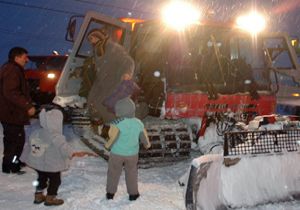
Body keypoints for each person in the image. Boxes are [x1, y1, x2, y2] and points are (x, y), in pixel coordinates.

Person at [20, 108, 85, 206]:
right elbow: (64, 148)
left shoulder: (37, 133)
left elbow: (29, 146)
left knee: (41, 179)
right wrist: (72, 153)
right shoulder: (56, 136)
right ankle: (50, 198)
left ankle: (38, 196)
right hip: (52, 166)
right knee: (55, 181)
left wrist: (24, 158)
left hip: (39, 165)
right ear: (57, 122)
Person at [102, 97, 151, 201]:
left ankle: (110, 193)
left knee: (113, 173)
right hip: (132, 154)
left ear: (118, 110)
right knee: (132, 173)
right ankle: (133, 194)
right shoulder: (138, 122)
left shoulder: (117, 123)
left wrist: (107, 146)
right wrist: (147, 144)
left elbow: (113, 138)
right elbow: (144, 136)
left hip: (117, 154)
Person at [85, 28, 136, 123]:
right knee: (92, 99)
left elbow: (129, 61)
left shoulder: (112, 47)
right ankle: (101, 123)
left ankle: (113, 127)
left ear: (98, 37)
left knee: (105, 104)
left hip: (113, 80)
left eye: (91, 38)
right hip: (102, 80)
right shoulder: (98, 49)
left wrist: (127, 73)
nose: (90, 41)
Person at [0, 47, 36, 174]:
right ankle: (10, 166)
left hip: (10, 113)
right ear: (17, 58)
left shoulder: (11, 68)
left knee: (15, 140)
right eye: (24, 57)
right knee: (15, 141)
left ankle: (12, 162)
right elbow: (11, 92)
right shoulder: (12, 70)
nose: (27, 60)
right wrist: (27, 106)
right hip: (12, 113)